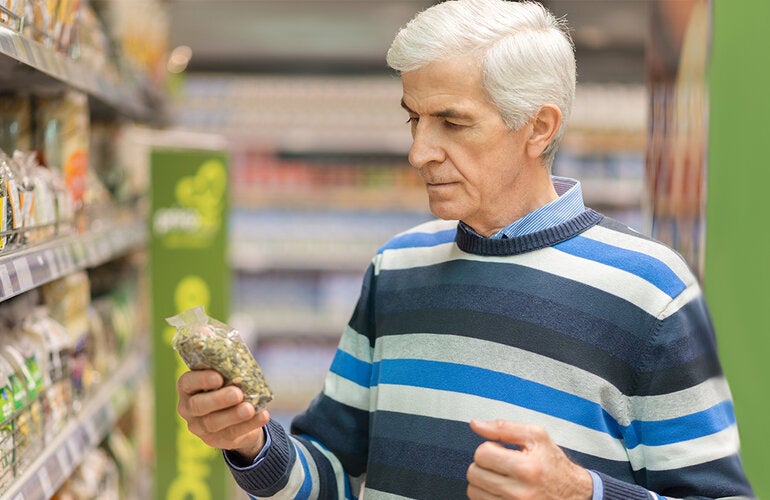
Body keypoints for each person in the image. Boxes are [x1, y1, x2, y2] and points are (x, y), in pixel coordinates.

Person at [176, 0, 754, 498]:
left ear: (539, 128)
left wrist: (581, 493)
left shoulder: (649, 292)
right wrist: (252, 442)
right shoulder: (395, 269)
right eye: (414, 120)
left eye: (452, 123)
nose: (419, 152)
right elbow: (329, 476)